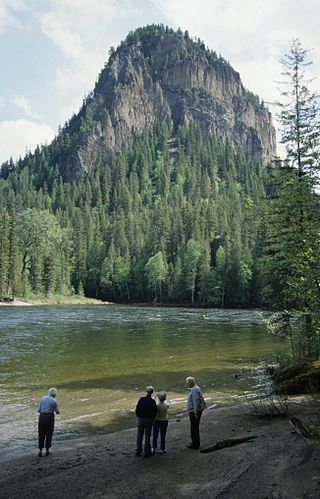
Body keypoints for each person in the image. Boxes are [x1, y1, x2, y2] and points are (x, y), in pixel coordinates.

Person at [38, 387, 60, 457]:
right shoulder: (54, 401)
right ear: (55, 394)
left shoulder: (42, 398)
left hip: (42, 417)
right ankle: (47, 451)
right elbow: (57, 412)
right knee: (49, 433)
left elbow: (38, 410)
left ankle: (40, 451)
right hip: (50, 417)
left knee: (41, 433)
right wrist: (58, 411)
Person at [135, 386, 157, 457]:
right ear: (152, 392)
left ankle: (138, 451)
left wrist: (138, 416)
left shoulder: (141, 399)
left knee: (139, 436)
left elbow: (137, 409)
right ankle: (147, 452)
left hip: (140, 419)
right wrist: (152, 419)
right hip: (148, 420)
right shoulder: (153, 401)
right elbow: (154, 412)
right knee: (147, 436)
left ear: (146, 391)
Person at [185, 376, 206, 449]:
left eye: (187, 382)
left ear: (190, 383)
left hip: (194, 412)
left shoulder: (194, 390)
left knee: (194, 427)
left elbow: (196, 402)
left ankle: (195, 444)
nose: (186, 384)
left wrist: (196, 413)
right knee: (194, 427)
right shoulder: (195, 388)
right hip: (194, 411)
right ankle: (195, 442)